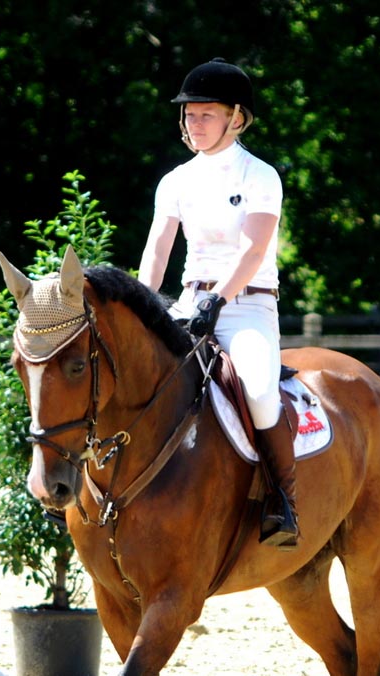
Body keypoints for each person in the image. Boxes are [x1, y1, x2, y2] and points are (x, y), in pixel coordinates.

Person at [137, 58, 298, 550]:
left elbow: (254, 250)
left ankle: (280, 497)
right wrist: (144, 302)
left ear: (236, 118)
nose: (194, 123)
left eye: (206, 114)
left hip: (247, 305)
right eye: (189, 115)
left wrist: (220, 300)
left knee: (256, 387)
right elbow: (158, 248)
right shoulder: (176, 180)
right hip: (189, 299)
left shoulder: (260, 175)